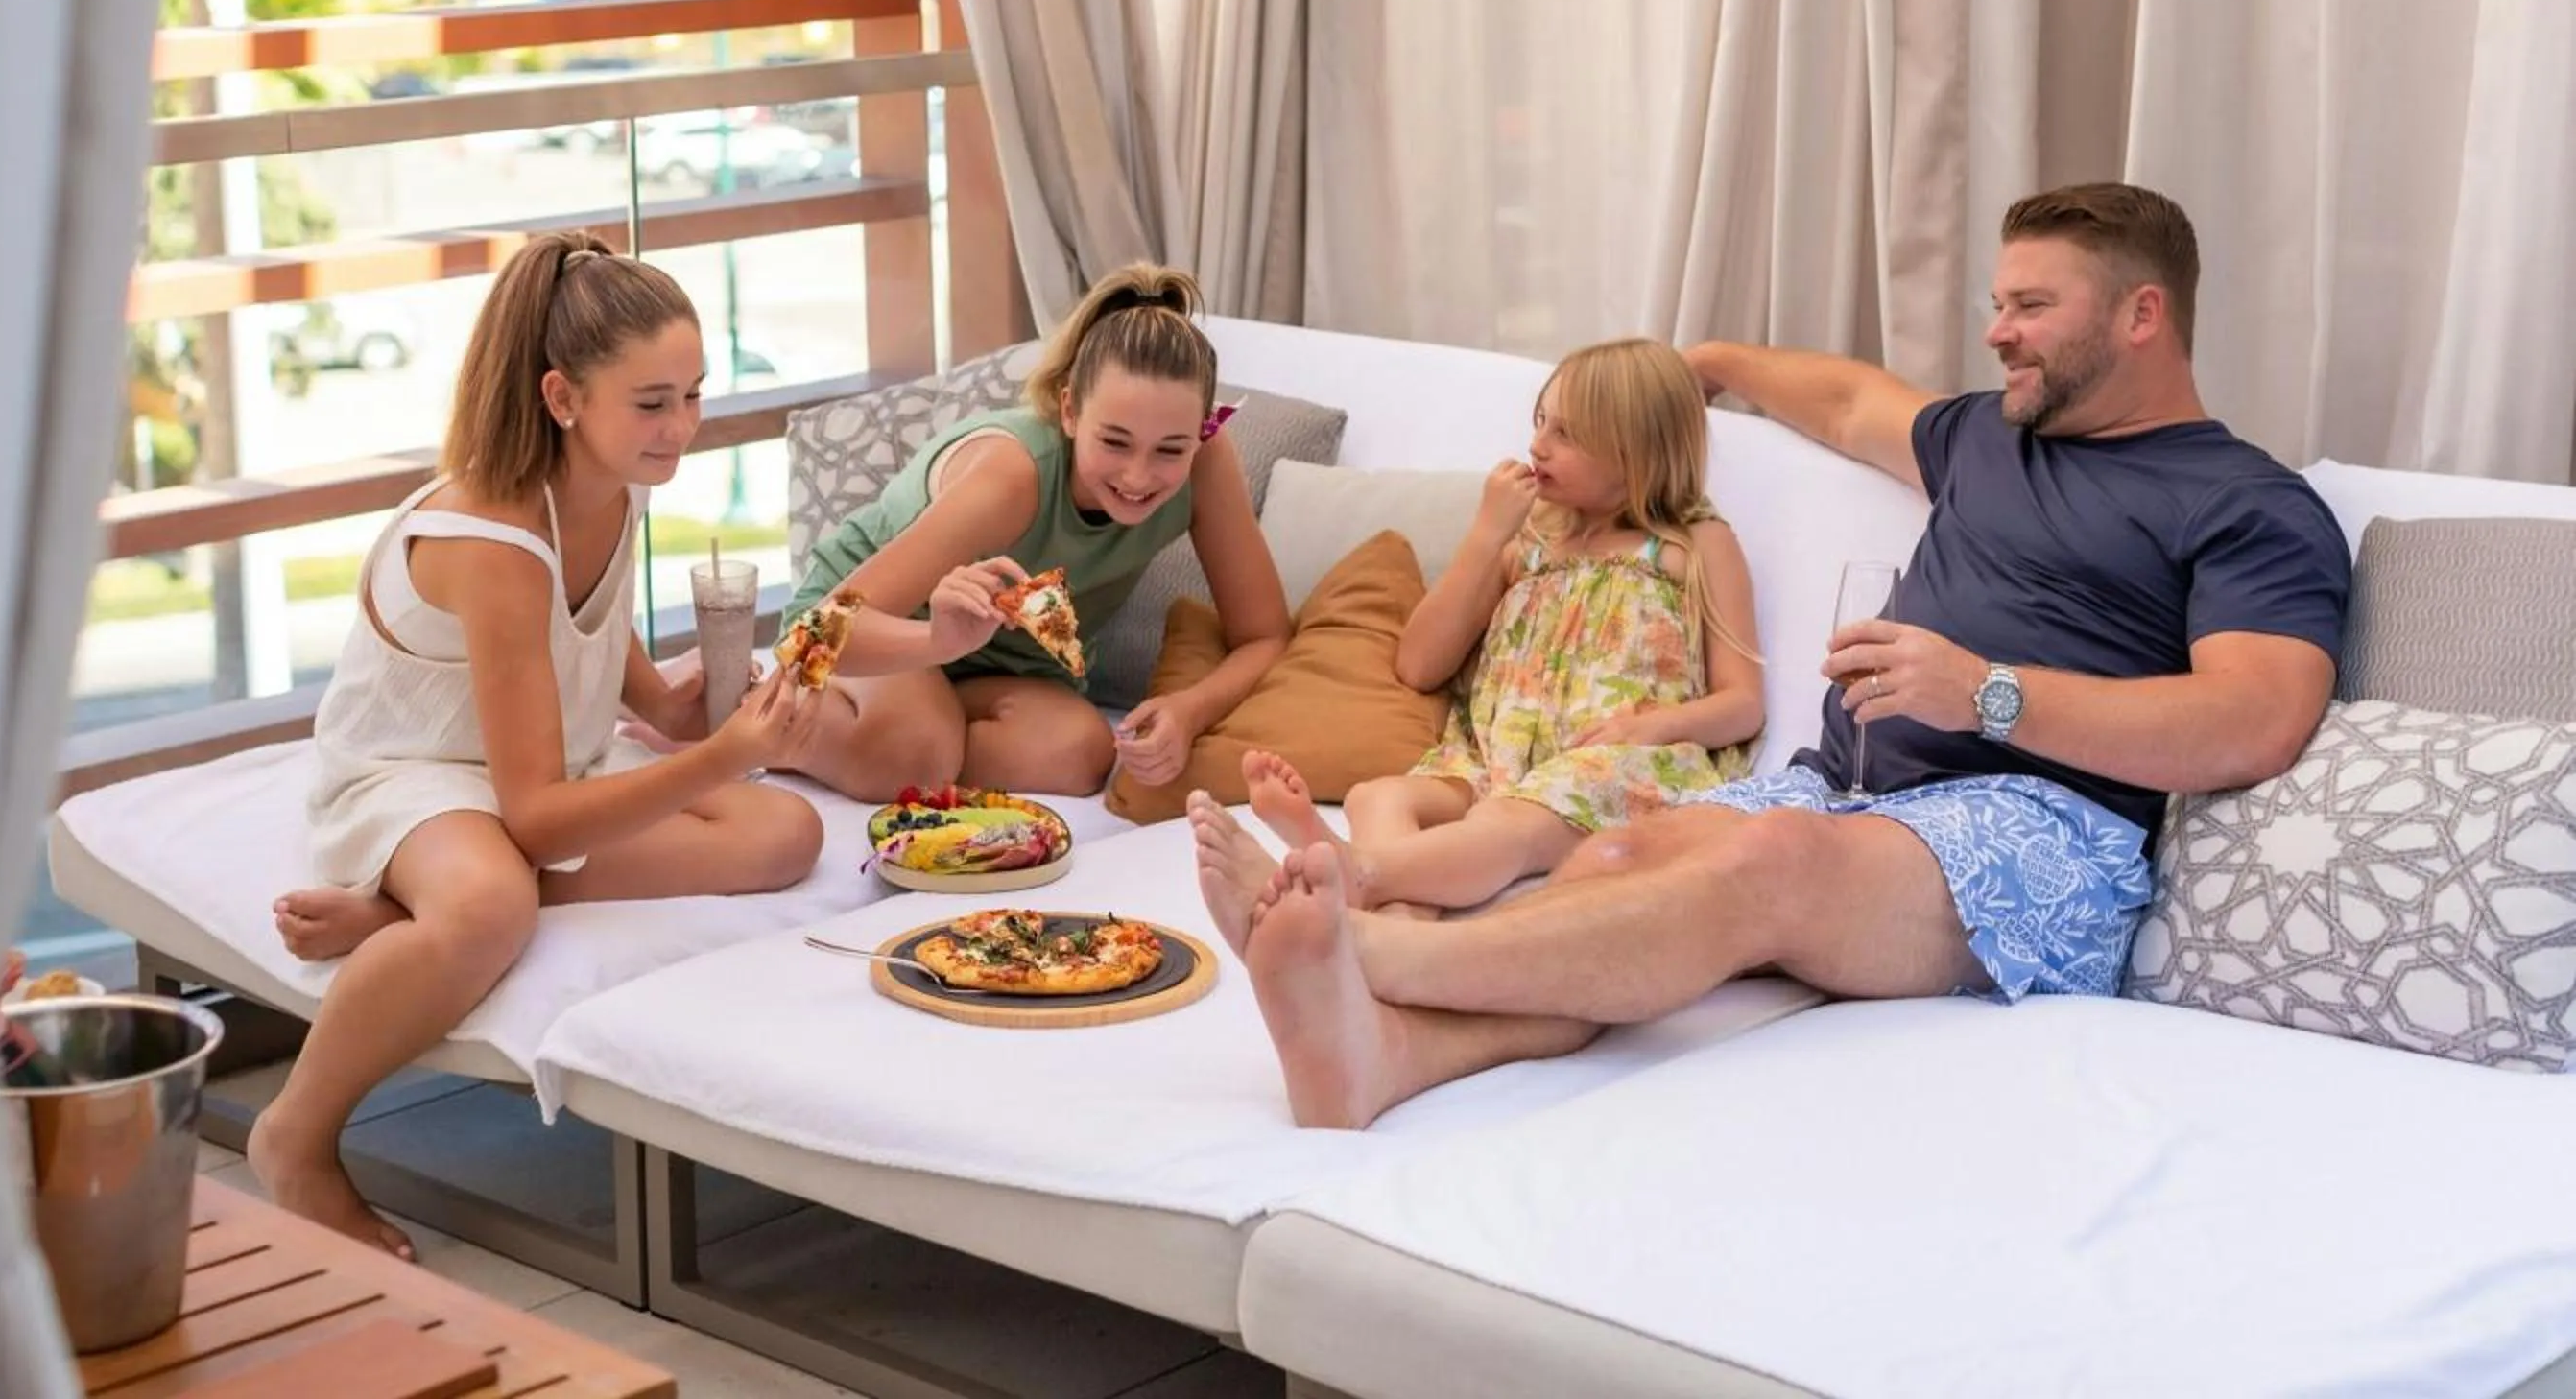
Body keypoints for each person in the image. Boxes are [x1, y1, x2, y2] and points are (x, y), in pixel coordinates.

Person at [1194, 183, 2349, 1129]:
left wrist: (1989, 694)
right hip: (1845, 793)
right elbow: (1849, 399)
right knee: (1615, 864)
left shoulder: (2244, 501)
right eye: (1999, 302)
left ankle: (1362, 948)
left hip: (2045, 831)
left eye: (2031, 307)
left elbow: (2256, 718)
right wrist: (1710, 361)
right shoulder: (1989, 439)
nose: (1996, 331)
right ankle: (1379, 1059)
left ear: (2143, 315)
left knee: (1772, 858)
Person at [254, 231, 825, 1254]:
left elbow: (627, 687)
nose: (682, 426)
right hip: (417, 778)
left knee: (784, 832)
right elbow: (533, 815)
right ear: (564, 397)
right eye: (653, 403)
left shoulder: (615, 486)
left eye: (693, 391)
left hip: (537, 773)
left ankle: (393, 909)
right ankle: (294, 1135)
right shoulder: (494, 541)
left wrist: (724, 707)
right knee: (489, 900)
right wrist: (720, 754)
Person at [1237, 339, 1763, 918]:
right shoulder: (1529, 543)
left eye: (1567, 434)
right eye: (1541, 422)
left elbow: (1743, 703)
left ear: (1635, 451)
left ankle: (1360, 873)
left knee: (1503, 822)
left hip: (1614, 766)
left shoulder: (1692, 546)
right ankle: (1392, 938)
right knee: (1376, 795)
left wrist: (1652, 730)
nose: (1538, 445)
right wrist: (1487, 536)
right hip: (1493, 758)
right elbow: (1418, 665)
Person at [781, 264, 1293, 800]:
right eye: (1115, 442)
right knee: (916, 752)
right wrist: (937, 639)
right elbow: (819, 636)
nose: (1138, 476)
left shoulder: (1208, 460)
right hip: (877, 636)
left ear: (1203, 429)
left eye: (1170, 449)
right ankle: (763, 717)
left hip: (997, 670)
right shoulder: (1011, 477)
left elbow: (1264, 636)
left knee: (1081, 755)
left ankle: (912, 734)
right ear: (1070, 410)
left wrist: (1189, 713)